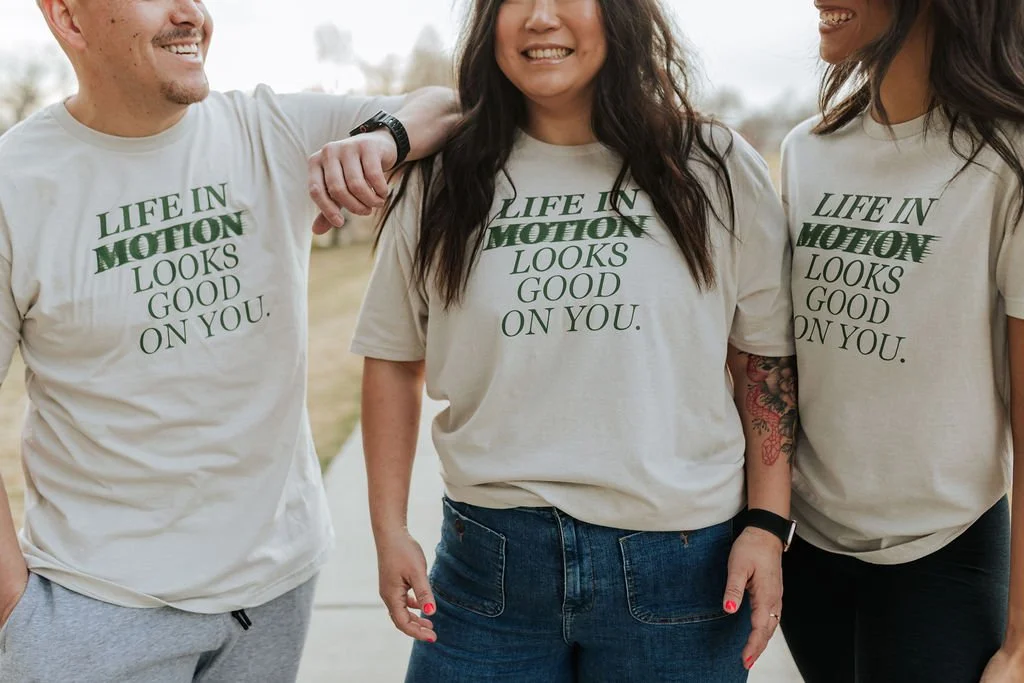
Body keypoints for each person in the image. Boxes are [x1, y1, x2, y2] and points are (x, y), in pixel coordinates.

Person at [0, 0, 457, 681]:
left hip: (274, 597)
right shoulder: (15, 183)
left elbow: (447, 105)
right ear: (67, 16)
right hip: (98, 610)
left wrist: (381, 138)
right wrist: (22, 617)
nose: (192, 14)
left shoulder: (269, 127)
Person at [349, 0, 798, 679]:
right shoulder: (441, 179)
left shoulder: (713, 165)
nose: (540, 18)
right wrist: (388, 529)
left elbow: (764, 355)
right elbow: (390, 356)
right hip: (488, 569)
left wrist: (767, 523)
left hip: (681, 567)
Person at [779, 1, 1024, 681]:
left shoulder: (1008, 157)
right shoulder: (807, 150)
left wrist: (1022, 641)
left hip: (944, 559)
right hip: (814, 555)